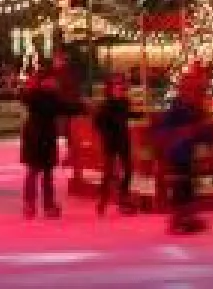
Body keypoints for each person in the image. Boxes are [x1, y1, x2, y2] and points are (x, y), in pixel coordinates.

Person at [154, 65, 213, 234]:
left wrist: (205, 136)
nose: (197, 95)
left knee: (188, 185)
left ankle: (187, 217)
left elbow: (202, 131)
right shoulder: (179, 108)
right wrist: (182, 133)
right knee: (182, 186)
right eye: (193, 90)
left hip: (186, 153)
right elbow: (164, 129)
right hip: (177, 153)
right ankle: (179, 219)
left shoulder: (194, 109)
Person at [20, 67, 83, 219]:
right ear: (45, 82)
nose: (55, 82)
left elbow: (66, 107)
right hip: (39, 139)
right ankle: (40, 205)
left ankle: (37, 204)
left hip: (42, 139)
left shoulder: (43, 96)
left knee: (40, 173)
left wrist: (80, 107)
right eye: (52, 80)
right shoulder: (43, 97)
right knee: (37, 173)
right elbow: (65, 108)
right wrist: (82, 107)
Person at [94, 73, 136, 215]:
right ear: (110, 88)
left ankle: (123, 198)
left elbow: (128, 115)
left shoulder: (125, 102)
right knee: (109, 171)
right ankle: (103, 199)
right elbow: (98, 123)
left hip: (123, 140)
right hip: (111, 141)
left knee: (128, 170)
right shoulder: (106, 105)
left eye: (120, 85)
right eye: (116, 85)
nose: (118, 87)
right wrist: (107, 132)